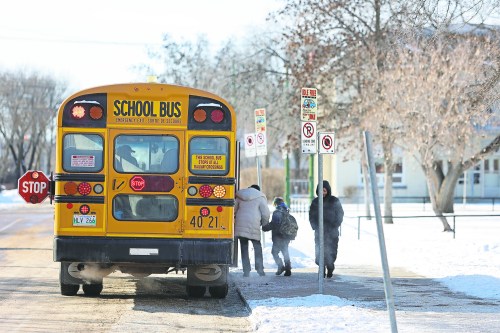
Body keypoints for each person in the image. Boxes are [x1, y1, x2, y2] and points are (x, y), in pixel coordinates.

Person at [309, 180, 344, 278]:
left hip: (332, 232)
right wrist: (314, 226)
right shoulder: (315, 202)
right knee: (319, 250)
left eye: (324, 191)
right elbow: (311, 215)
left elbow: (340, 214)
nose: (323, 193)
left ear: (327, 190)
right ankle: (321, 269)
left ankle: (330, 266)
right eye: (321, 191)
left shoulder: (334, 201)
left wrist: (335, 225)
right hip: (319, 231)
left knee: (331, 250)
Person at [234, 184, 271, 277]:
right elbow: (265, 213)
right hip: (254, 224)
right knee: (257, 247)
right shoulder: (260, 197)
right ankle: (260, 270)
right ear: (258, 190)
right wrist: (265, 223)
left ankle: (246, 271)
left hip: (241, 223)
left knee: (244, 247)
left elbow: (233, 210)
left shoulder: (240, 196)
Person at [263, 197, 292, 276]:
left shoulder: (277, 212)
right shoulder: (286, 210)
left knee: (274, 252)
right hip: (286, 236)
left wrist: (265, 227)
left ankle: (280, 266)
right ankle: (288, 269)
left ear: (276, 204)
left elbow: (274, 224)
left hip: (278, 236)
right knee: (285, 252)